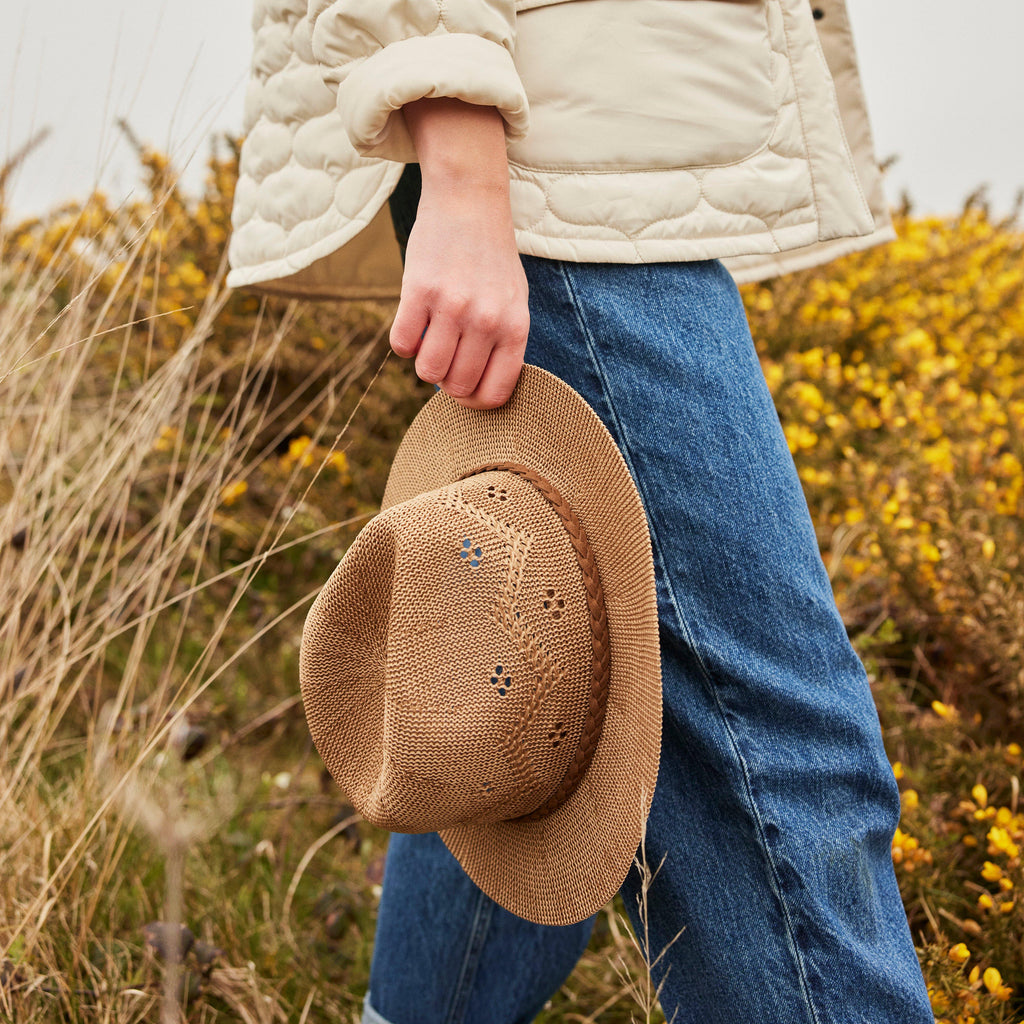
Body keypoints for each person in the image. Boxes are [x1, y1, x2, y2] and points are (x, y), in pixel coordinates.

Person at [227, 1, 935, 1021]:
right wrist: (459, 143)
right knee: (777, 762)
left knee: (516, 679)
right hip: (550, 143)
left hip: (587, 133)